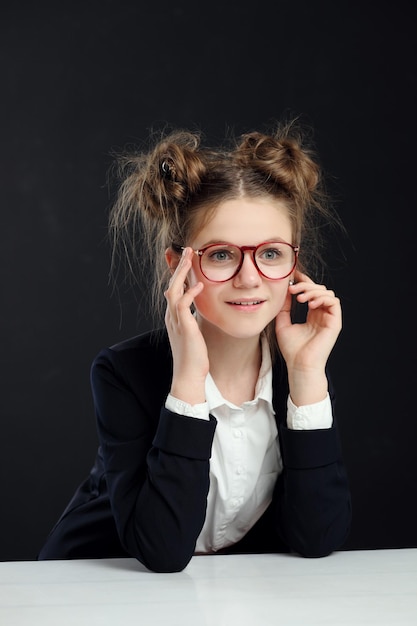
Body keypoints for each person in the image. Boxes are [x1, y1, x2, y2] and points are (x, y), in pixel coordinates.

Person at [38, 119, 351, 572]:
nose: (249, 279)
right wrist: (187, 380)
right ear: (178, 266)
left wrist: (306, 376)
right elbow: (161, 552)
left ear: (293, 262)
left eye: (271, 254)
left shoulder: (298, 373)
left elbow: (318, 537)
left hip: (210, 599)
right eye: (222, 255)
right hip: (92, 588)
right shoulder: (123, 373)